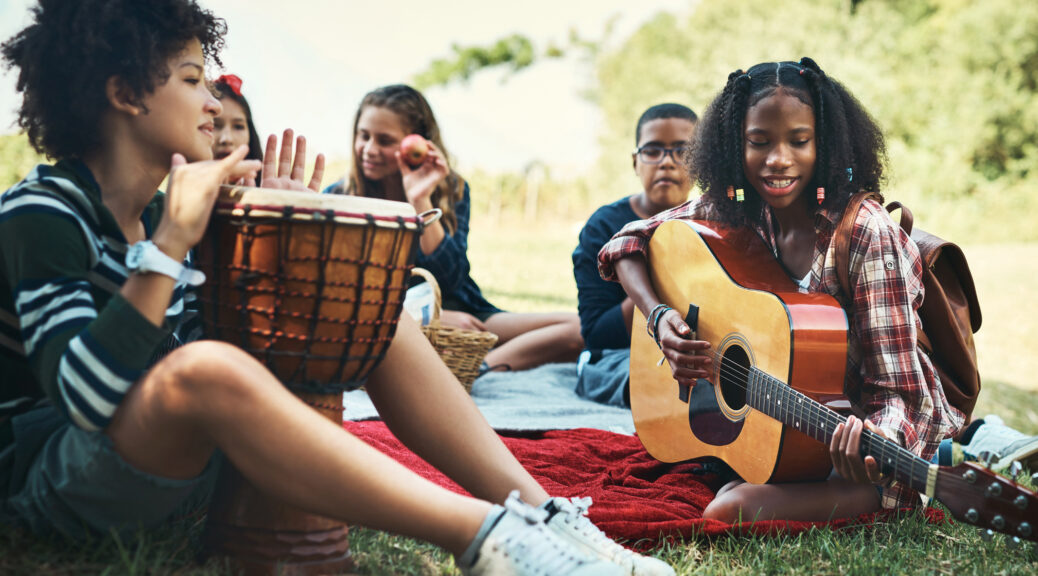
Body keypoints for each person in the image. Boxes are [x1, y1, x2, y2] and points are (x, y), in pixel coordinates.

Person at [0, 2, 672, 575]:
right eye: (191, 79)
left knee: (372, 311)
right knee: (201, 372)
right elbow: (85, 400)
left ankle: (545, 516)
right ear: (125, 94)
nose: (213, 102)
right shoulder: (44, 214)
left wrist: (280, 247)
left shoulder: (158, 214)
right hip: (59, 478)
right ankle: (491, 539)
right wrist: (173, 240)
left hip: (176, 468)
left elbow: (221, 336)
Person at [597, 58, 966, 522]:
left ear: (826, 145)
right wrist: (657, 318)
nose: (778, 160)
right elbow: (626, 242)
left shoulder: (866, 235)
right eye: (759, 142)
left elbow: (900, 396)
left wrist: (876, 446)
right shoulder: (738, 209)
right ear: (735, 146)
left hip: (872, 459)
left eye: (799, 141)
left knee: (730, 508)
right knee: (729, 486)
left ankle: (943, 473)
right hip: (781, 435)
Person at [325, 85, 584, 373]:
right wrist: (423, 318)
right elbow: (337, 287)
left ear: (417, 142)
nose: (369, 149)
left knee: (578, 329)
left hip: (463, 310)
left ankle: (477, 366)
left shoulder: (451, 189)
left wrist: (420, 199)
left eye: (384, 140)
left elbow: (451, 278)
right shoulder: (340, 196)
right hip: (386, 321)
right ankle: (476, 365)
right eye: (364, 136)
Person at [572, 103, 697, 407]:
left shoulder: (712, 223)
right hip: (619, 357)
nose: (666, 163)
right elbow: (597, 335)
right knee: (623, 376)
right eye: (653, 151)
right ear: (635, 162)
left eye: (682, 151)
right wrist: (660, 280)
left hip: (697, 352)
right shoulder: (603, 226)